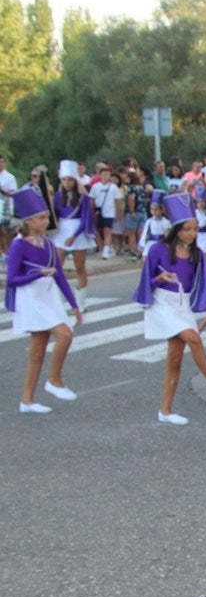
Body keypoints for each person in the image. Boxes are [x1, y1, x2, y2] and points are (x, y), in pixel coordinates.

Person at [133, 192, 206, 425]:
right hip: (162, 303)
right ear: (176, 228)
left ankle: (166, 410)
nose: (192, 234)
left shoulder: (196, 254)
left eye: (194, 228)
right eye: (187, 229)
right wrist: (159, 278)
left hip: (182, 305)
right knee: (193, 338)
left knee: (175, 361)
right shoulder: (157, 250)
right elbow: (145, 283)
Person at [7, 188, 82, 413]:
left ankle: (27, 401)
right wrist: (37, 274)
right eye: (41, 218)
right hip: (31, 298)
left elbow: (59, 275)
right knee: (65, 335)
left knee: (38, 350)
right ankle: (55, 380)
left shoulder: (49, 243)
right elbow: (12, 279)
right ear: (28, 221)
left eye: (47, 217)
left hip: (48, 296)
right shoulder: (19, 245)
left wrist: (74, 304)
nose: (46, 221)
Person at [51, 161, 96, 310]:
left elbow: (84, 219)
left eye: (70, 179)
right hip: (61, 232)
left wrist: (74, 236)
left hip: (78, 233)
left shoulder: (83, 198)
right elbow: (53, 216)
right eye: (64, 180)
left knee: (79, 268)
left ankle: (80, 302)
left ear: (75, 180)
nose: (67, 183)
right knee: (56, 267)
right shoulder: (57, 197)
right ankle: (56, 300)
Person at [89, 164, 120, 259]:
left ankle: (106, 251)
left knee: (108, 230)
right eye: (104, 174)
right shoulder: (95, 187)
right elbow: (92, 200)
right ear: (100, 175)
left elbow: (117, 200)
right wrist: (91, 211)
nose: (106, 176)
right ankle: (103, 247)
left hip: (109, 212)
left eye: (108, 174)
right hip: (99, 212)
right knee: (98, 230)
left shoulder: (113, 187)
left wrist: (117, 213)